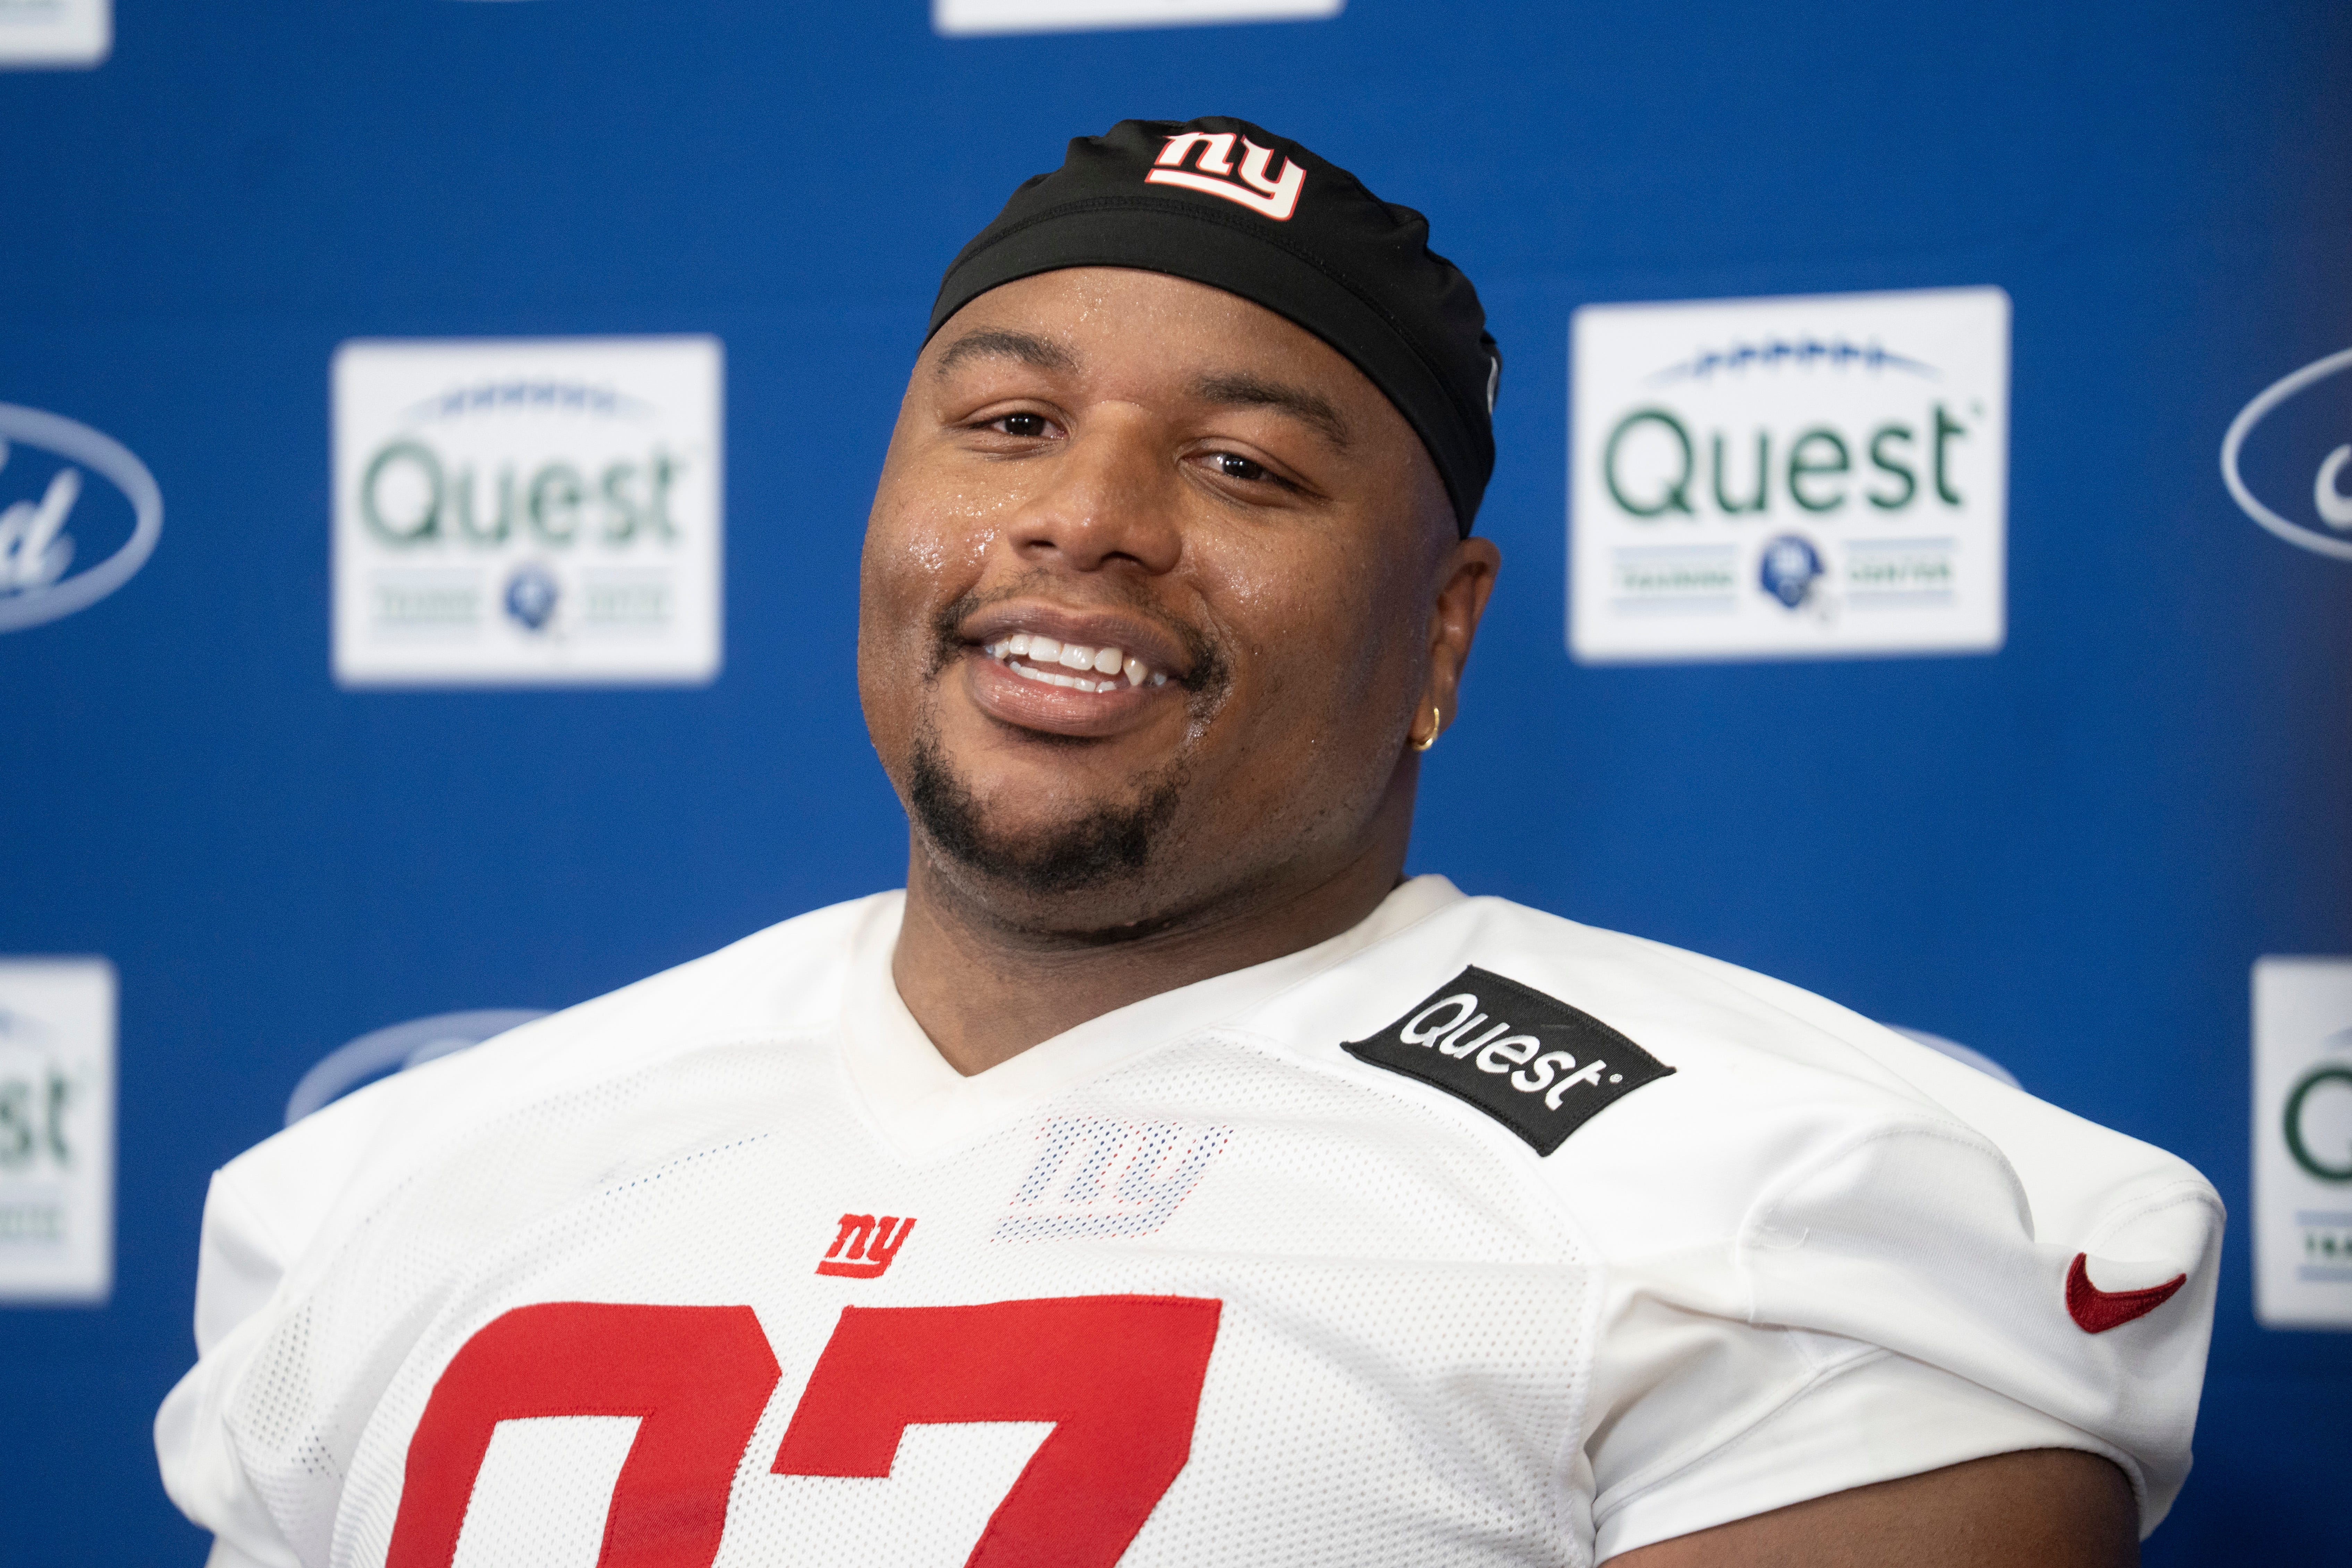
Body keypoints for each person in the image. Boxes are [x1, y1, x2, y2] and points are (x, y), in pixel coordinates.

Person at [156, 118, 2219, 1568]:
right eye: (1010, 426)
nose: (1088, 520)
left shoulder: (1774, 1199)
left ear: (1441, 633)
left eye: (1240, 465)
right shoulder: (403, 1183)